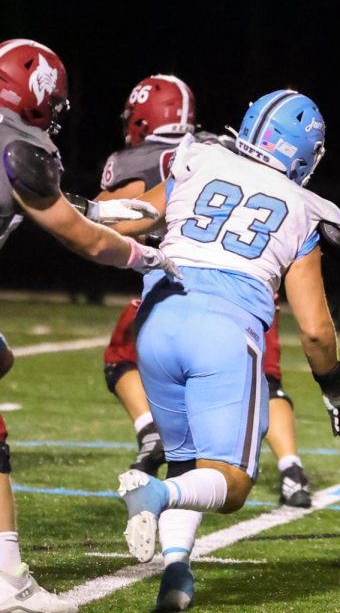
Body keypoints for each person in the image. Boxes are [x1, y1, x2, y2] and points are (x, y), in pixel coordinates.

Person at [113, 89, 340, 611]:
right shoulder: (305, 208)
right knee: (233, 484)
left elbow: (128, 217)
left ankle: (175, 574)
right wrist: (334, 386)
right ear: (304, 153)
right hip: (222, 329)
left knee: (186, 464)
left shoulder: (198, 158)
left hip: (155, 319)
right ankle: (155, 497)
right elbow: (314, 330)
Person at [1, 39, 178, 613]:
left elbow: (76, 208)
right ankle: (8, 583)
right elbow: (84, 237)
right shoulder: (20, 147)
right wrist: (147, 257)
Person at [97, 75, 316, 506]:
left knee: (120, 361)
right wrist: (333, 385)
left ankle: (150, 438)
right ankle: (291, 468)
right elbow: (316, 328)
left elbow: (118, 214)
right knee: (266, 384)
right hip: (248, 295)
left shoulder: (171, 160)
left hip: (173, 288)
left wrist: (64, 213)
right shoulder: (217, 149)